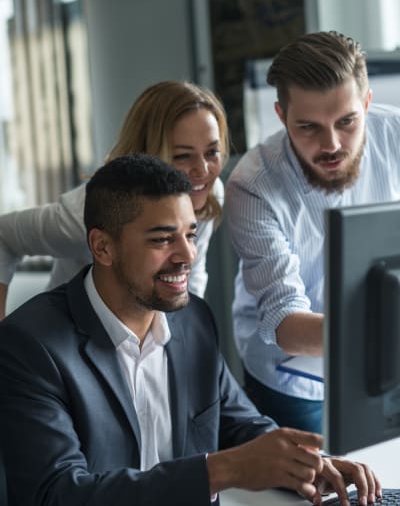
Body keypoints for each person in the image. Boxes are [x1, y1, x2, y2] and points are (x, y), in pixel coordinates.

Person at [0, 154, 381, 506]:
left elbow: (240, 425)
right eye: (163, 239)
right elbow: (57, 494)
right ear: (102, 247)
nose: (187, 255)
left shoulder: (192, 319)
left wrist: (313, 463)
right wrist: (221, 470)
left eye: (191, 234)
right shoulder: (30, 345)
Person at [225, 30, 400, 433]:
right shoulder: (252, 185)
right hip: (293, 377)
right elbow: (287, 323)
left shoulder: (394, 138)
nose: (332, 144)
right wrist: (389, 329)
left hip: (385, 354)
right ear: (282, 116)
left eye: (347, 122)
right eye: (309, 127)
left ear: (367, 104)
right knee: (310, 492)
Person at [0, 80, 228, 318]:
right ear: (147, 152)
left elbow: (191, 276)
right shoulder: (90, 212)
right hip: (67, 340)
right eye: (183, 156)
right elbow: (3, 235)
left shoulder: (207, 193)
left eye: (212, 152)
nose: (202, 171)